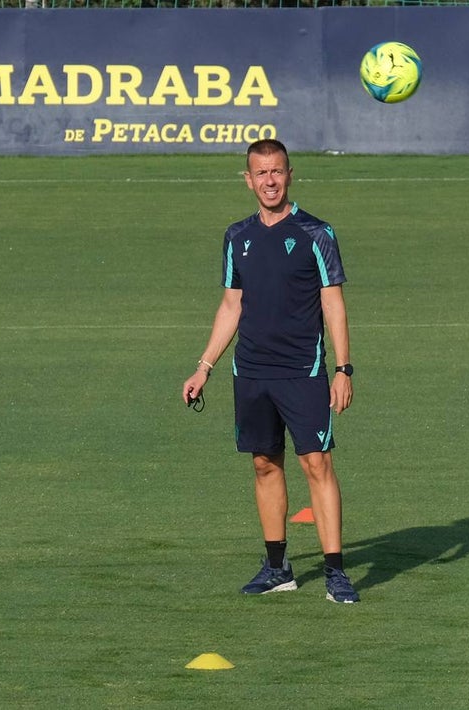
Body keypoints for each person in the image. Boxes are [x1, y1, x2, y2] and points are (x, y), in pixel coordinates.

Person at [181, 138, 359, 604]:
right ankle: (277, 567)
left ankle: (335, 571)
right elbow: (230, 305)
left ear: (290, 174)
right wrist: (204, 366)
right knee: (264, 464)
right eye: (260, 173)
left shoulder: (316, 233)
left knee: (316, 463)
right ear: (248, 179)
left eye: (276, 171)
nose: (269, 181)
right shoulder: (236, 237)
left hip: (304, 370)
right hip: (252, 371)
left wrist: (343, 368)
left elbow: (333, 303)